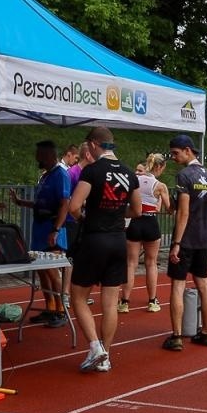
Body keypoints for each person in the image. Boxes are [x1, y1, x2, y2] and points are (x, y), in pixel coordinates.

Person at [68, 126, 139, 373]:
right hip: (119, 239)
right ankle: (106, 356)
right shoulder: (131, 174)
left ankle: (95, 346)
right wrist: (116, 212)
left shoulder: (93, 171)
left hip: (94, 239)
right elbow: (137, 210)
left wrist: (85, 217)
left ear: (95, 145)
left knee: (77, 295)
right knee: (110, 302)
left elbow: (74, 206)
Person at [164, 133, 207, 350]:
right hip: (204, 240)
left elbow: (183, 213)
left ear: (188, 150)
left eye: (175, 153)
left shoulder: (184, 176)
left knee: (178, 286)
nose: (173, 157)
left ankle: (177, 336)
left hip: (186, 240)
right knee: (203, 284)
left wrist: (177, 243)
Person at [9, 139, 70, 327]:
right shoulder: (45, 176)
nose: (36, 158)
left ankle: (61, 311)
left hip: (52, 230)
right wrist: (21, 202)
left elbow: (64, 203)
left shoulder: (60, 175)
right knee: (42, 271)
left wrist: (56, 229)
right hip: (40, 229)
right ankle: (50, 307)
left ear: (48, 155)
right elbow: (40, 203)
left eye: (39, 155)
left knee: (52, 272)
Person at [124, 153, 170, 313]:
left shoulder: (135, 180)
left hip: (135, 222)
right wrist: (159, 202)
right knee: (151, 263)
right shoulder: (160, 186)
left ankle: (124, 302)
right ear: (159, 166)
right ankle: (152, 301)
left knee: (131, 263)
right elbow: (169, 209)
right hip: (150, 223)